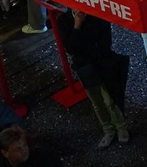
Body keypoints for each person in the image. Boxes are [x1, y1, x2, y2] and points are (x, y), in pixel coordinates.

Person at [56, 8, 131, 148]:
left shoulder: (97, 13)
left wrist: (82, 43)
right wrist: (77, 26)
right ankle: (108, 130)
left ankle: (121, 127)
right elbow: (71, 48)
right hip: (84, 66)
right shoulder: (64, 21)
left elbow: (105, 42)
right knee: (96, 101)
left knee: (111, 99)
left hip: (102, 62)